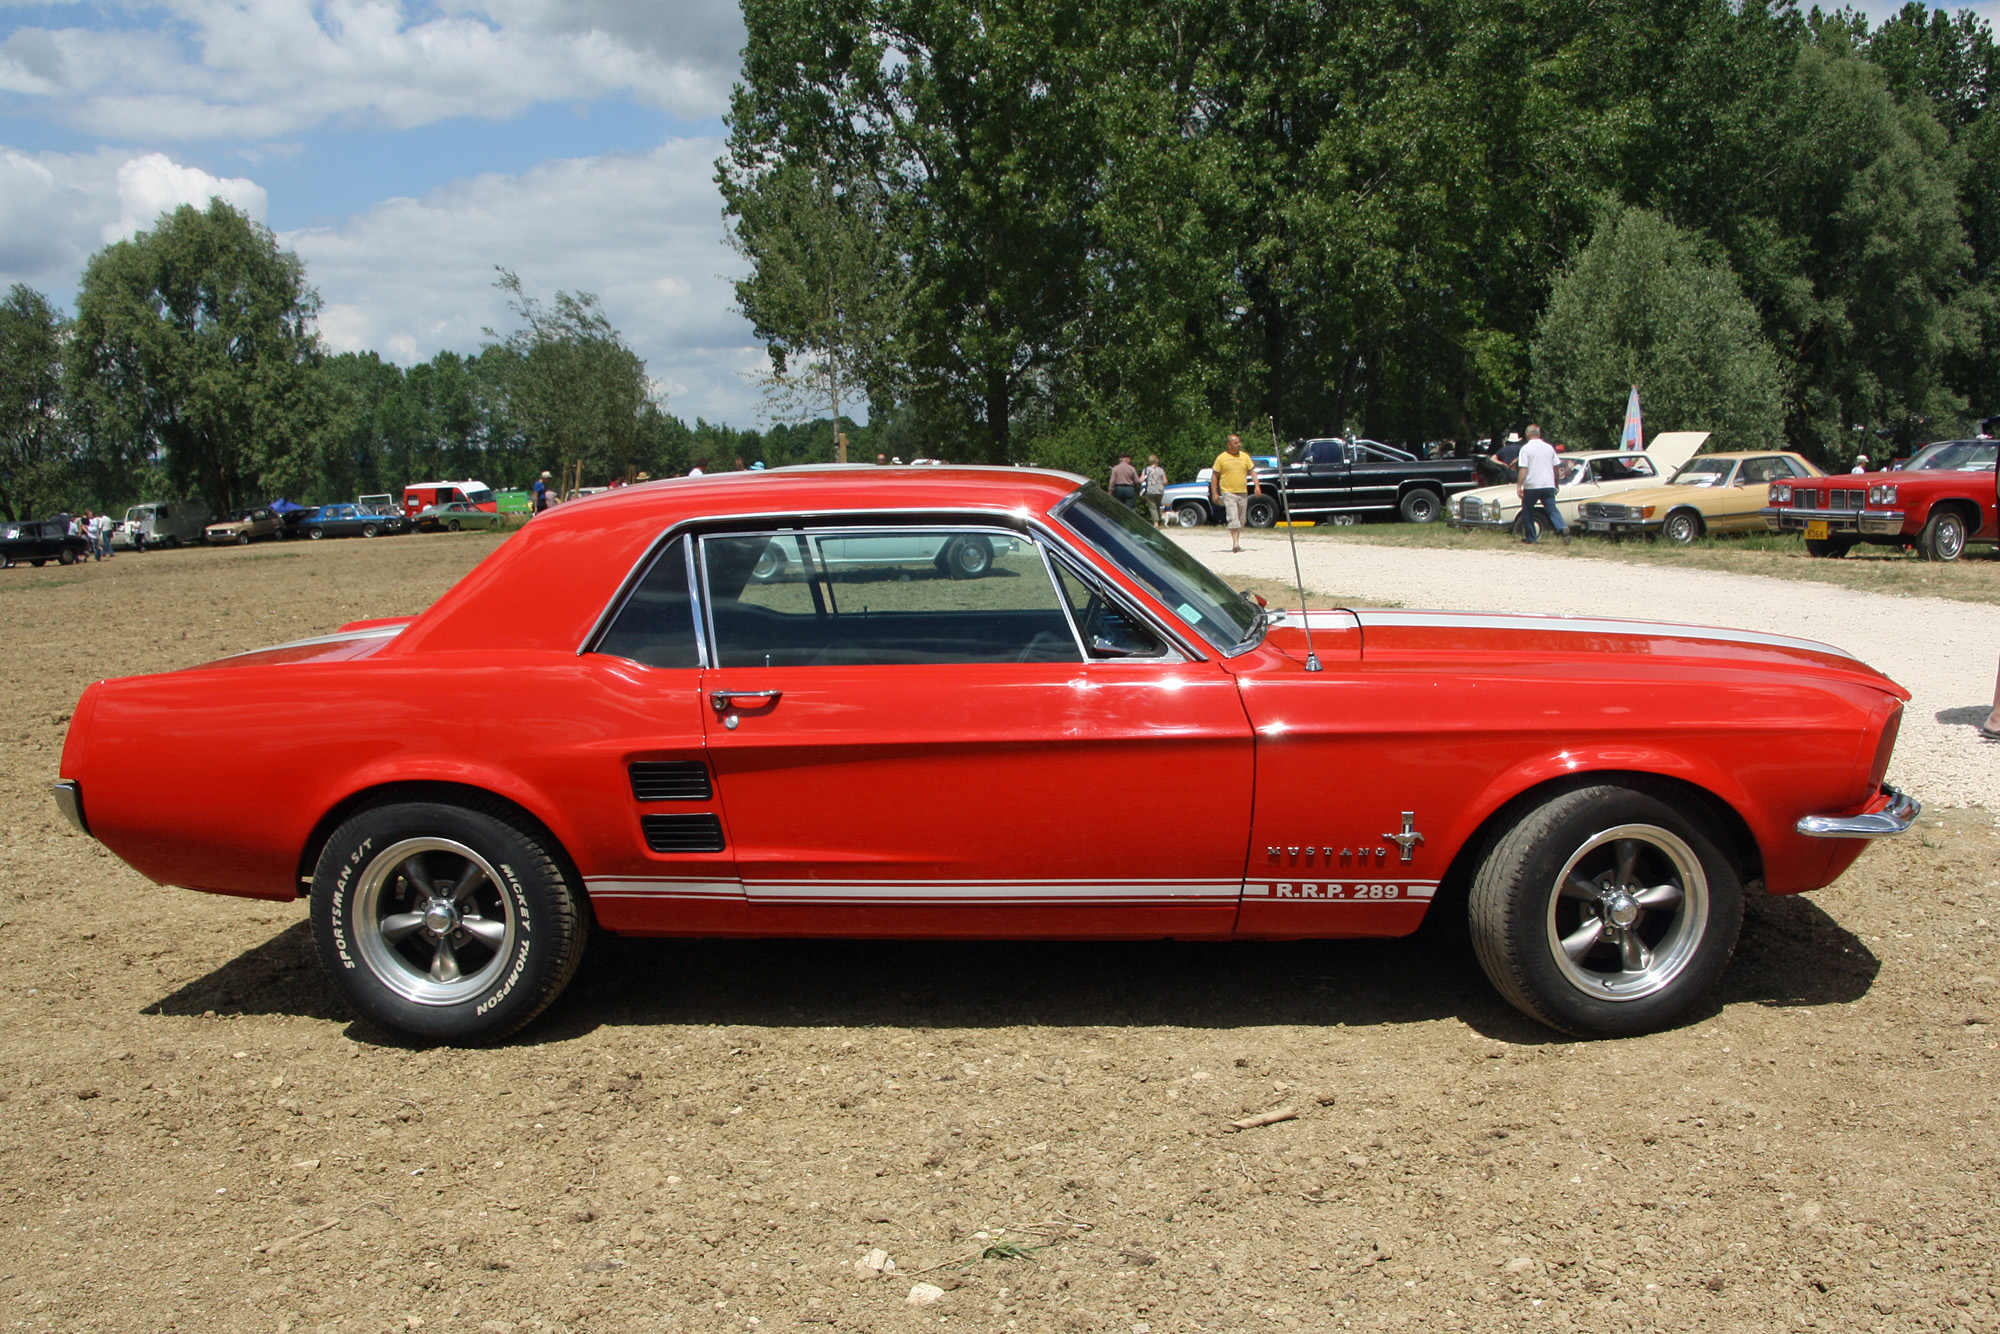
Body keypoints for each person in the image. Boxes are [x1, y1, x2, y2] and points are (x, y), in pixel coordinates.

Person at [1515, 425, 1569, 547]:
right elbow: (1556, 468)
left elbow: (1524, 468)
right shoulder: (1549, 448)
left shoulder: (1526, 449)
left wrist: (1519, 485)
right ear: (1539, 434)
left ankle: (1531, 538)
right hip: (1548, 484)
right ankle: (1562, 527)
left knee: (1528, 511)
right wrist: (1555, 484)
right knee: (1552, 509)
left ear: (1528, 435)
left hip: (1532, 485)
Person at [1208, 433, 1263, 552]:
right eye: (1236, 443)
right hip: (1228, 492)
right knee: (1233, 517)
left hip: (1242, 492)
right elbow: (1215, 476)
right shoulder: (1221, 458)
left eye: (1239, 442)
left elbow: (1252, 472)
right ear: (1229, 445)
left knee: (1241, 519)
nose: (1239, 444)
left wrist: (1257, 486)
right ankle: (1235, 544)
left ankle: (1237, 539)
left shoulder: (1245, 457)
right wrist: (1215, 493)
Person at [1141, 454, 1168, 527]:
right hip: (1159, 491)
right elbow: (1165, 481)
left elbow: (1141, 479)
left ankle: (1156, 523)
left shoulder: (1146, 470)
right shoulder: (1160, 470)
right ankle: (1161, 519)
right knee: (1158, 505)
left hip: (1150, 490)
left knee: (1153, 507)